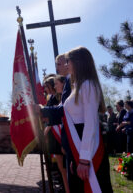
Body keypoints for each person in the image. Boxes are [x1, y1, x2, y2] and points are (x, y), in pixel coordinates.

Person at [38, 46, 113, 192]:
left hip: (85, 147)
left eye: (68, 62)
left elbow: (90, 123)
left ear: (79, 63)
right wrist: (75, 157)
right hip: (76, 147)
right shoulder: (77, 86)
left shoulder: (88, 85)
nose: (66, 65)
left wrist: (84, 159)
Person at [43, 76, 70, 193]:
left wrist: (46, 130)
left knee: (63, 165)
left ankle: (67, 188)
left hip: (57, 131)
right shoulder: (52, 97)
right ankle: (64, 185)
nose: (46, 89)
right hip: (53, 132)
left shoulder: (58, 98)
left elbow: (56, 115)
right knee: (60, 165)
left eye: (47, 86)